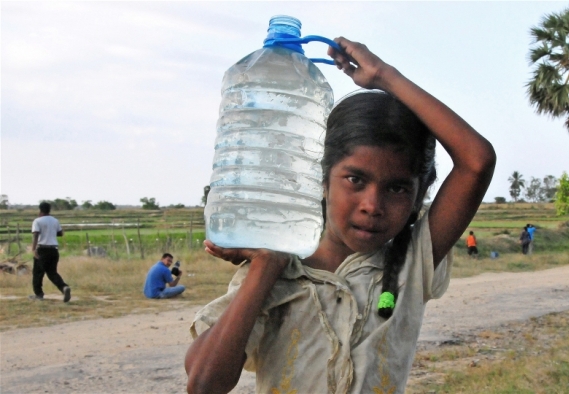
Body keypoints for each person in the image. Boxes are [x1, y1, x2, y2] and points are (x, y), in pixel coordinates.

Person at [185, 37, 496, 394]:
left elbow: (477, 161)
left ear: (419, 194)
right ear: (321, 178)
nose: (372, 205)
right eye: (355, 179)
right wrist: (266, 268)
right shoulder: (277, 273)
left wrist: (384, 76)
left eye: (396, 188)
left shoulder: (413, 261)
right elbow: (204, 384)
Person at [30, 202, 71, 302]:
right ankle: (64, 287)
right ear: (49, 210)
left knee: (37, 273)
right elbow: (60, 233)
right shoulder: (55, 221)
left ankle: (38, 294)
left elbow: (36, 235)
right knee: (52, 272)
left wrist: (34, 249)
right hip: (54, 250)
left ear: (40, 210)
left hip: (42, 249)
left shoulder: (37, 221)